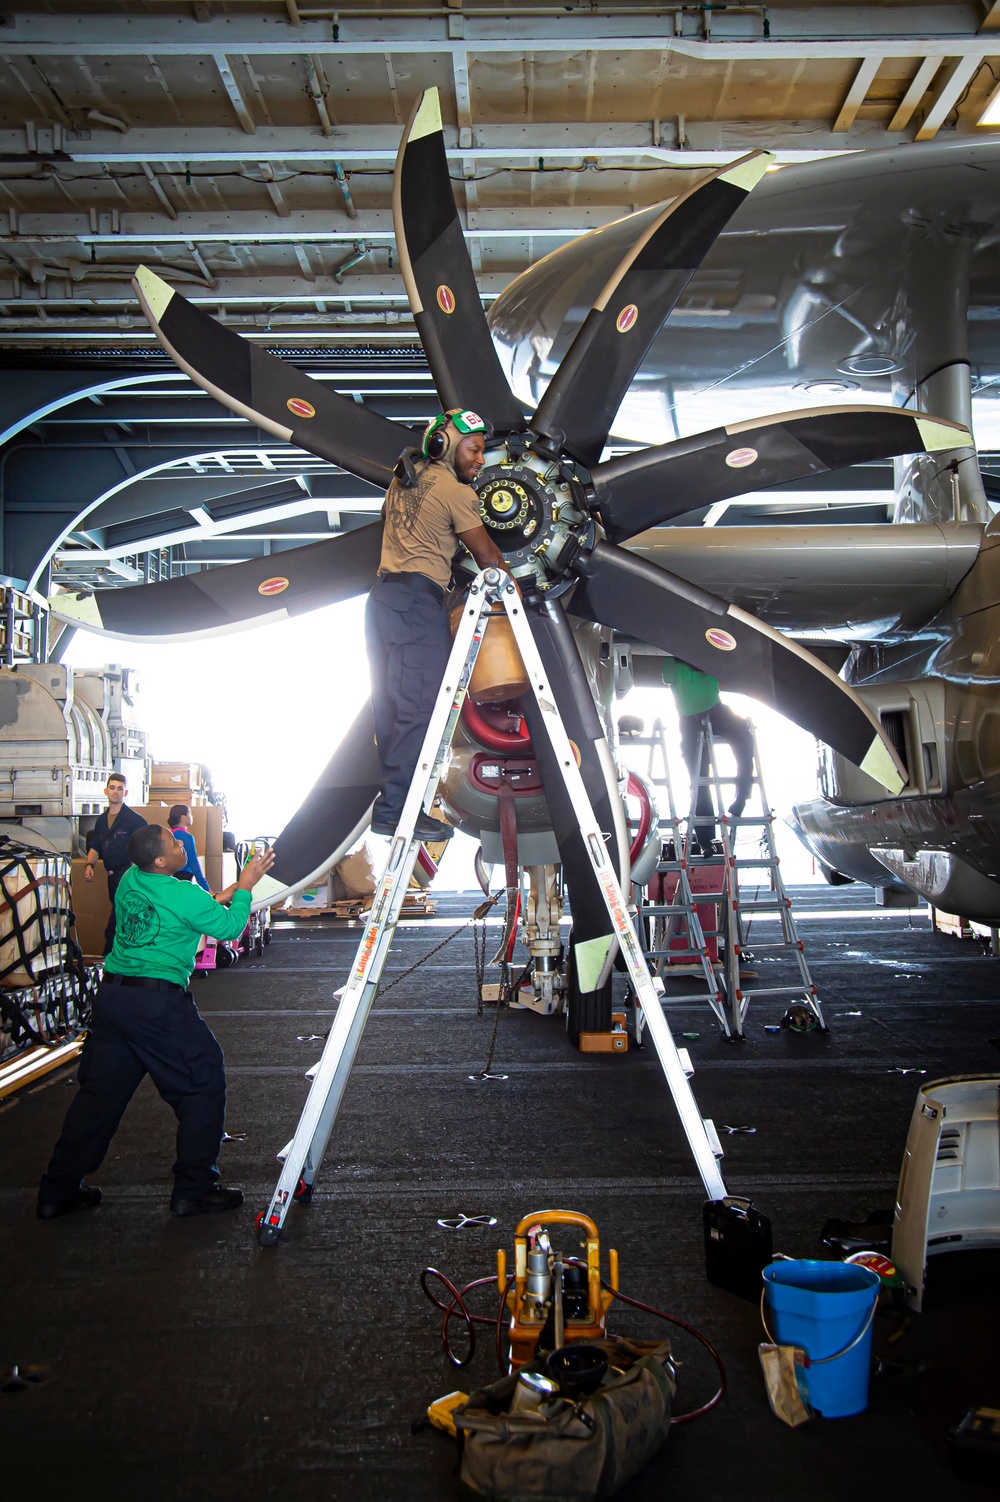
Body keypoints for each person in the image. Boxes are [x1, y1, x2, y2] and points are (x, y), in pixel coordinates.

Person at [37, 824, 275, 1220]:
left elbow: (193, 907)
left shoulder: (133, 878)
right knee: (203, 1082)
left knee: (99, 1096)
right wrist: (248, 884)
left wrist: (231, 890)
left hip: (113, 1000)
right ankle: (194, 1189)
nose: (183, 844)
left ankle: (57, 1190)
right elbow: (230, 928)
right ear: (162, 861)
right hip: (157, 1005)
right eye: (174, 843)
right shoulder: (183, 892)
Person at [365, 408, 517, 842]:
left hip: (382, 602)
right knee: (418, 709)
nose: (481, 459)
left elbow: (390, 522)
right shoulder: (455, 491)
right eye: (474, 448)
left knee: (392, 710)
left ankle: (393, 808)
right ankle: (398, 814)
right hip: (417, 603)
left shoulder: (401, 482)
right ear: (446, 446)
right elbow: (487, 557)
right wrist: (515, 599)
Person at [661, 656, 754, 854]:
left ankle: (741, 799)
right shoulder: (673, 664)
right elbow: (667, 676)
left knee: (745, 741)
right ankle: (704, 840)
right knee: (698, 777)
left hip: (716, 711)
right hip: (689, 720)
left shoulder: (706, 657)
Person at [84, 773, 148, 954]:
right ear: (106, 791)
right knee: (120, 917)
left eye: (120, 788)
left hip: (128, 874)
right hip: (111, 876)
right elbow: (96, 845)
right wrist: (90, 865)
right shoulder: (101, 821)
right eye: (112, 788)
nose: (115, 792)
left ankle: (110, 958)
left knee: (118, 919)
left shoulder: (134, 820)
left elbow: (146, 846)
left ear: (125, 792)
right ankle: (120, 958)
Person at [168, 804, 211, 890]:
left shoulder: (168, 834)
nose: (192, 816)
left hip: (169, 877)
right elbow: (193, 863)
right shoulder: (186, 837)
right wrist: (207, 888)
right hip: (183, 878)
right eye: (190, 813)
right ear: (183, 817)